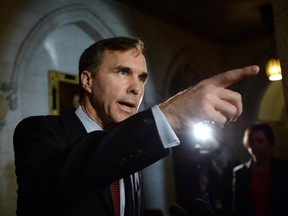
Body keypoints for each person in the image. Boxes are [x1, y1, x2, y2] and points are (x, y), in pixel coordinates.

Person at [13, 36, 259, 216]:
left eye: (142, 77)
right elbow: (50, 186)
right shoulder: (37, 132)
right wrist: (170, 114)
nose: (136, 88)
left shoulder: (132, 146)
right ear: (87, 80)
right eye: (123, 72)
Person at [232, 122, 288, 216]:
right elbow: (238, 206)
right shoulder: (241, 172)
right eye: (251, 141)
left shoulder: (284, 169)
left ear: (270, 143)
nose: (255, 145)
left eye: (260, 141)